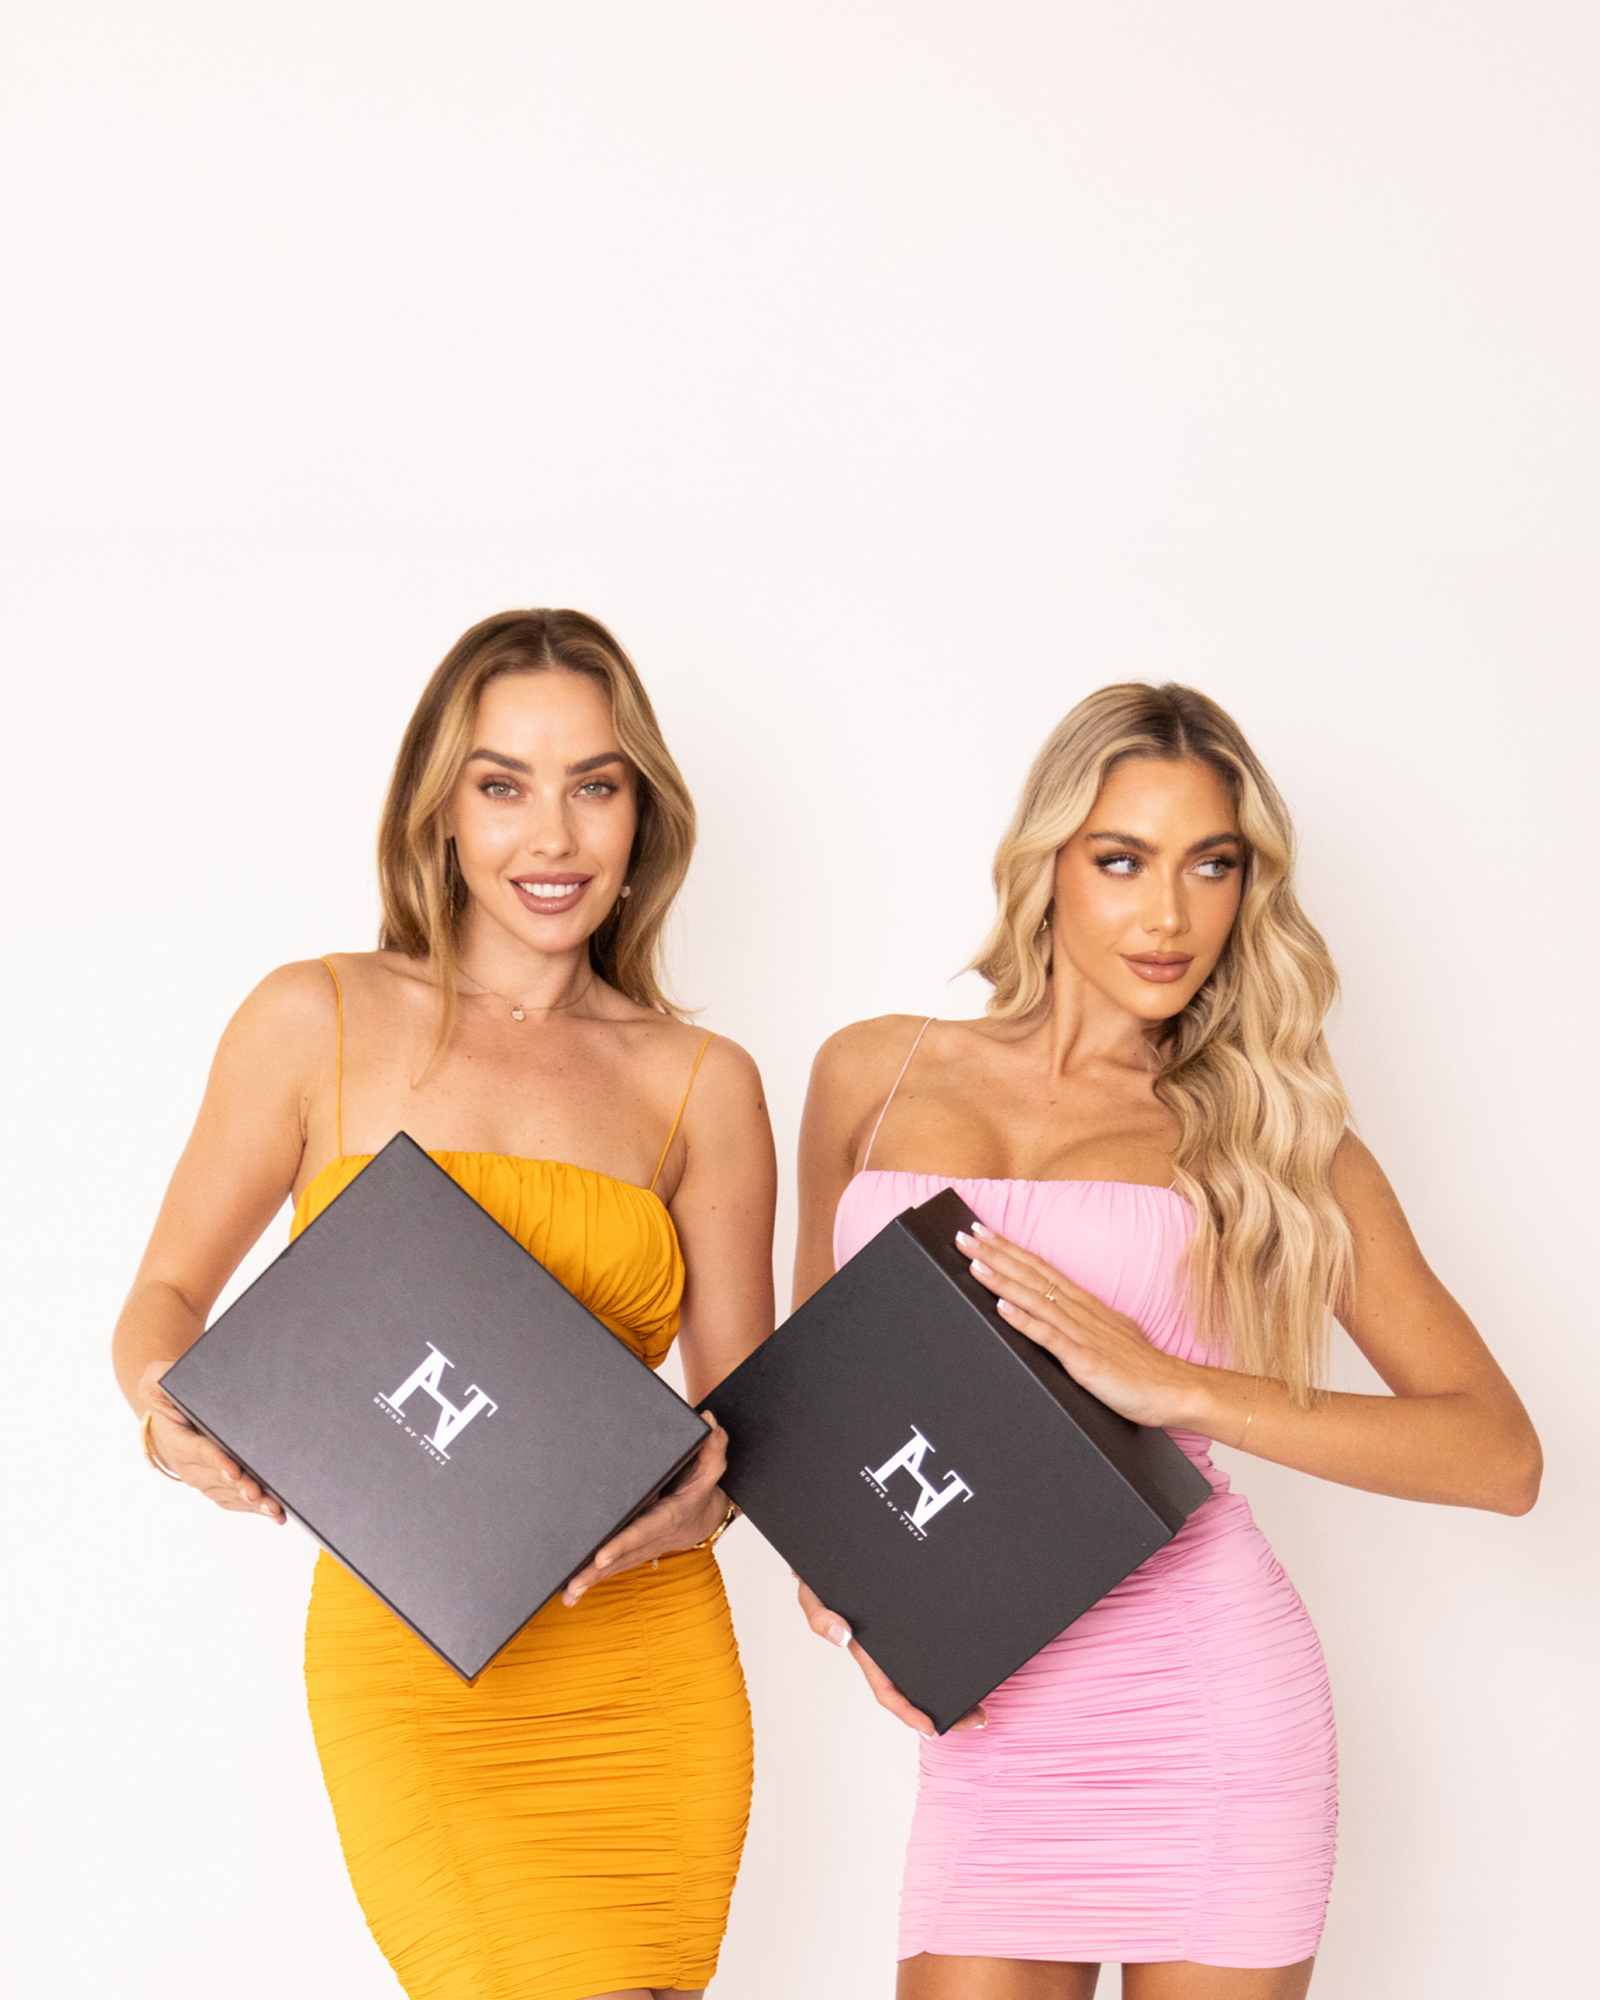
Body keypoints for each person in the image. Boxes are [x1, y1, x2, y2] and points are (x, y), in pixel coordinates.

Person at [793, 682, 1540, 2000]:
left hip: (1204, 1702)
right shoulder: (873, 1072)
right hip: (994, 1709)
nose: (1170, 916)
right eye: (1122, 860)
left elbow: (1499, 1456)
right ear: (1048, 864)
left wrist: (1176, 1383)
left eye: (1213, 865)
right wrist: (849, 1592)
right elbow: (817, 1403)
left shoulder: (1271, 1135)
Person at [113, 609, 776, 2000]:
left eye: (595, 785)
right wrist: (169, 1424)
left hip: (639, 1649)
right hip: (417, 1658)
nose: (554, 836)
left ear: (641, 813)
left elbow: (750, 1423)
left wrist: (709, 1504)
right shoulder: (315, 1018)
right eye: (504, 785)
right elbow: (164, 1299)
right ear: (442, 809)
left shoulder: (702, 1084)